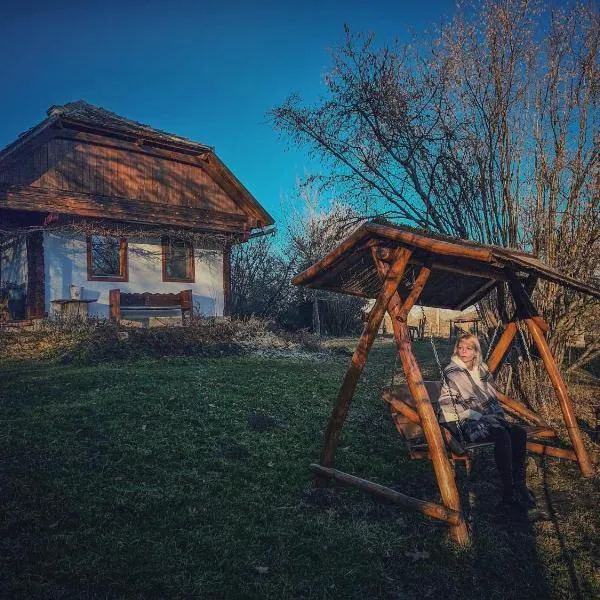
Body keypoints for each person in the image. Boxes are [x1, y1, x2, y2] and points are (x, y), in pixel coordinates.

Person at [436, 332, 536, 511]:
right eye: (460, 347)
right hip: (462, 420)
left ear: (476, 351)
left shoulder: (482, 370)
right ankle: (508, 492)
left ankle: (520, 485)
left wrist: (490, 416)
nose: (463, 351)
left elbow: (489, 398)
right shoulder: (451, 372)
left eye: (468, 348)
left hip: (486, 416)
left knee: (518, 433)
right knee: (502, 435)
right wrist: (480, 416)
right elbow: (449, 406)